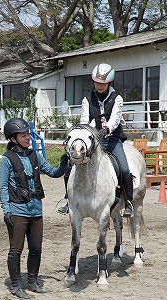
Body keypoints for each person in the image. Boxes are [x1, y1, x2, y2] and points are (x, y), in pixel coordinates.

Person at [0, 118, 68, 299]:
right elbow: (3, 187)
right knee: (16, 249)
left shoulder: (35, 155)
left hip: (36, 211)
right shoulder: (7, 160)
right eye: (23, 135)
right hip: (17, 211)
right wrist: (6, 210)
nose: (28, 137)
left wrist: (63, 164)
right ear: (13, 139)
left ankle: (33, 282)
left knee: (36, 248)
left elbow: (53, 172)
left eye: (28, 134)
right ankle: (15, 286)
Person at [57, 63, 134, 218]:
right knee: (70, 165)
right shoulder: (87, 99)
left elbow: (115, 119)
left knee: (125, 169)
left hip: (112, 140)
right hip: (92, 141)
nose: (99, 85)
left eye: (103, 83)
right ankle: (68, 200)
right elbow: (84, 119)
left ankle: (129, 202)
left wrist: (106, 129)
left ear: (109, 83)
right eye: (97, 82)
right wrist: (86, 133)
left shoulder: (117, 98)